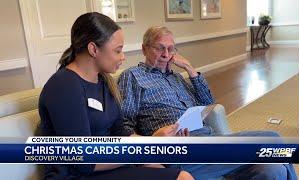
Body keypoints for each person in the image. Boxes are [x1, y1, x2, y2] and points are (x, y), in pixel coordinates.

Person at [118, 26, 298, 179]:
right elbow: (123, 125)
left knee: (273, 170)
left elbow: (208, 105)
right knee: (272, 138)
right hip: (178, 152)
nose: (166, 55)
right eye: (160, 48)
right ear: (144, 49)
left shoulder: (177, 78)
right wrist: (154, 141)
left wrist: (190, 69)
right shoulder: (133, 76)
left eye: (171, 49)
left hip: (209, 139)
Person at [38, 13, 193, 180]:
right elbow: (84, 161)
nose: (123, 57)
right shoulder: (64, 86)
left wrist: (154, 145)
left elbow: (120, 133)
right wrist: (148, 147)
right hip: (77, 175)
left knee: (179, 174)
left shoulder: (104, 81)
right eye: (118, 50)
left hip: (110, 166)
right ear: (93, 49)